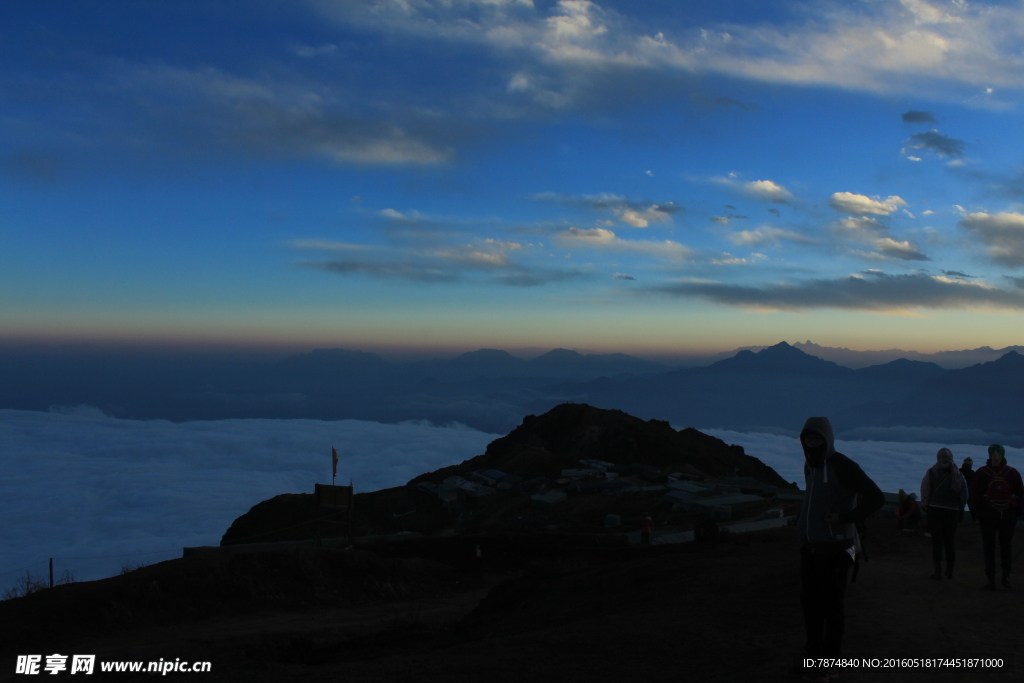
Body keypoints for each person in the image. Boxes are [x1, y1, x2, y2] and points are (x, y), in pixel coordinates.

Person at [796, 417, 884, 682]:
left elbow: (876, 497)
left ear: (827, 439)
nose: (812, 443)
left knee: (831, 608)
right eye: (808, 438)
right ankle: (813, 661)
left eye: (817, 438)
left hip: (837, 550)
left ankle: (830, 664)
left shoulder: (842, 466)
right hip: (810, 549)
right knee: (811, 607)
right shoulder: (810, 465)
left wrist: (845, 518)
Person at [969, 444, 1024, 590]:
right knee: (1006, 546)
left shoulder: (981, 473)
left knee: (989, 547)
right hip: (1008, 516)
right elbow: (1021, 495)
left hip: (987, 515)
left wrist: (975, 514)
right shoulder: (1013, 473)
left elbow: (974, 496)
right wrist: (1018, 513)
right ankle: (1006, 576)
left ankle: (991, 579)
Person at [920, 448, 968, 579]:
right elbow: (963, 492)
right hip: (952, 511)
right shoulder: (958, 473)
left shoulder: (932, 472)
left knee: (937, 541)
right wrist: (961, 508)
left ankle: (938, 571)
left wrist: (925, 505)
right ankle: (950, 571)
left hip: (935, 509)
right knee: (949, 541)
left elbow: (925, 489)